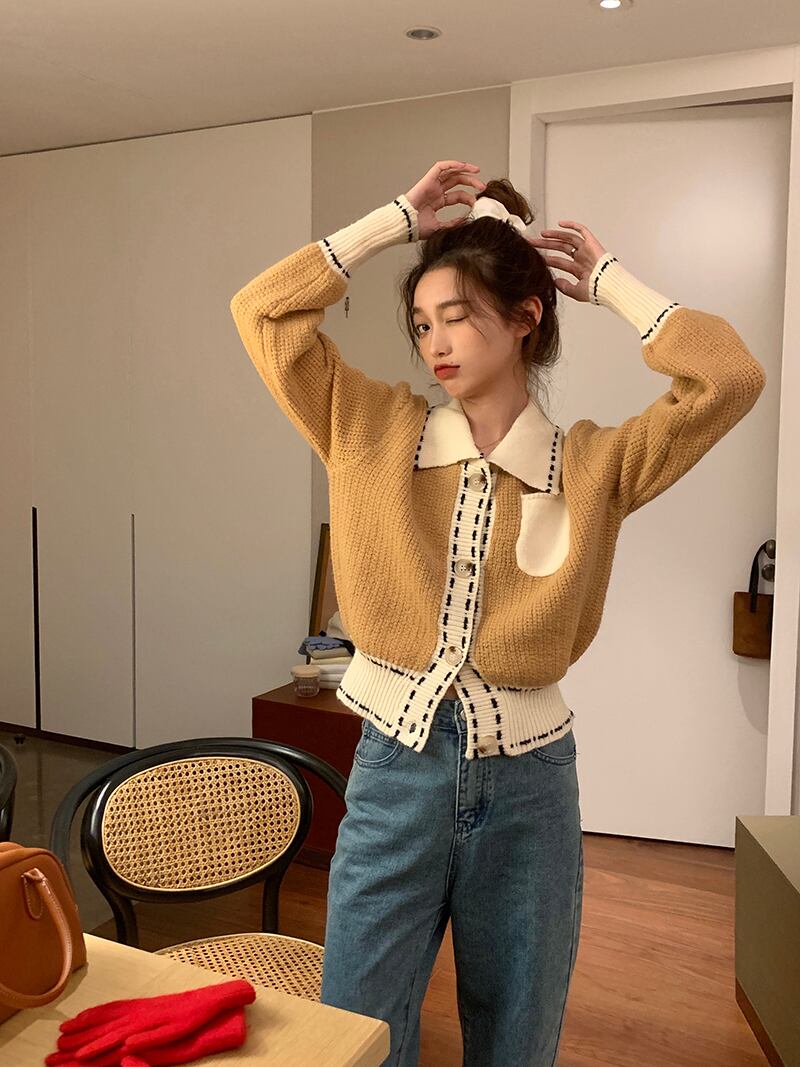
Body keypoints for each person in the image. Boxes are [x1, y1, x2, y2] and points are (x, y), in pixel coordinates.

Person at [230, 159, 766, 1067]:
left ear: (527, 318)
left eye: (458, 316)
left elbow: (730, 376)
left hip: (531, 790)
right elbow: (263, 313)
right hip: (393, 773)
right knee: (360, 1035)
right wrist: (395, 222)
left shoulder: (594, 466)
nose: (434, 343)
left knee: (518, 1040)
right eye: (421, 322)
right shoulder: (367, 428)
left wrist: (609, 282)